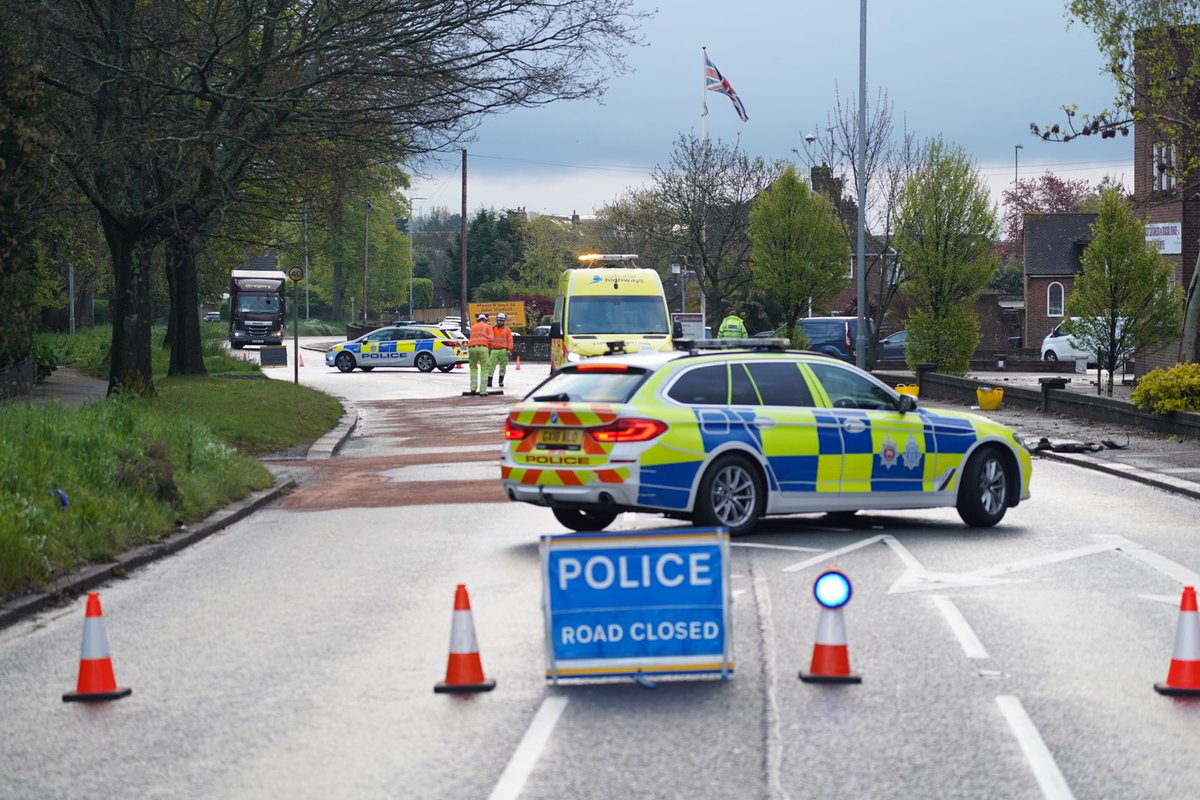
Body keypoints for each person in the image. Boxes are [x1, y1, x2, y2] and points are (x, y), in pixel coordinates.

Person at [488, 312, 514, 388]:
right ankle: (489, 381)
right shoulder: (493, 329)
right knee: (491, 366)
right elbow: (489, 338)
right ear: (497, 320)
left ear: (504, 321)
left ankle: (501, 381)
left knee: (503, 367)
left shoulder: (507, 330)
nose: (500, 322)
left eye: (502, 321)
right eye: (499, 320)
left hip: (503, 350)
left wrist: (509, 349)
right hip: (494, 350)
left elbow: (510, 340)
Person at [468, 313, 492, 395]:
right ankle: (483, 391)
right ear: (485, 320)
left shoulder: (473, 327)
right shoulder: (488, 327)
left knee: (473, 368)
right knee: (484, 369)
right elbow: (491, 339)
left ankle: (473, 388)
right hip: (483, 348)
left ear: (478, 320)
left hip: (472, 348)